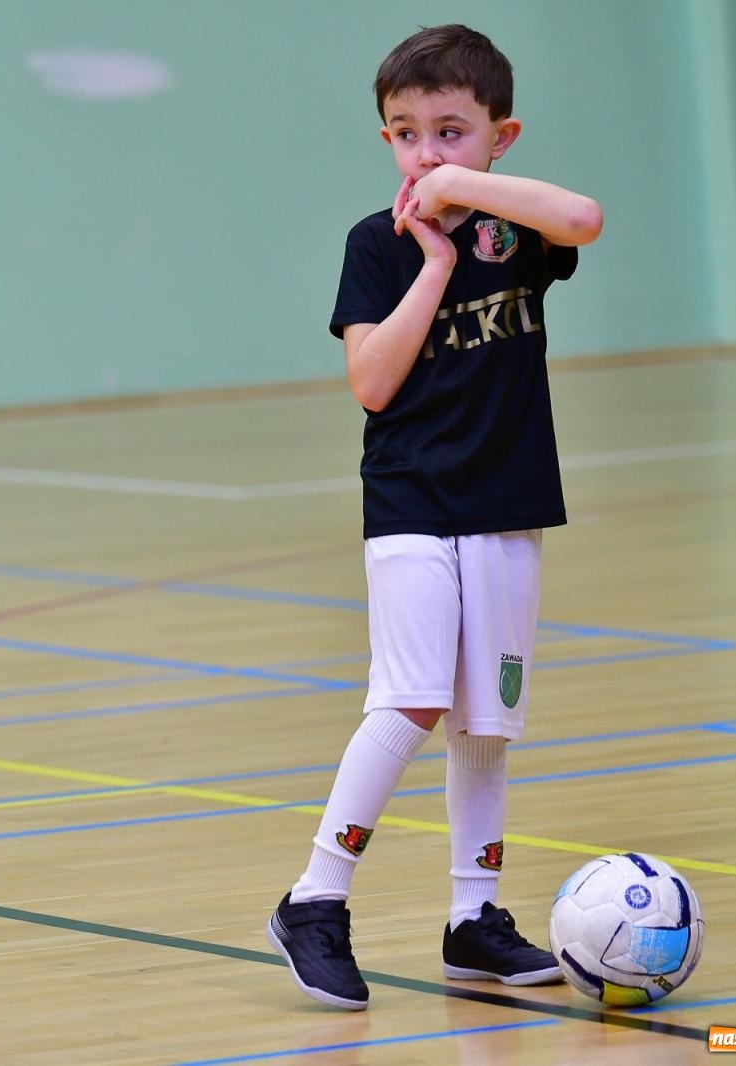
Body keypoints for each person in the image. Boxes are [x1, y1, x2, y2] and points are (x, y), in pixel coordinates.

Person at [266, 25, 603, 1010]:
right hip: (412, 502)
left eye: (450, 131)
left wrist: (467, 190)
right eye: (406, 134)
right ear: (386, 140)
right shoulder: (375, 245)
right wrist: (432, 263)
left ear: (501, 137)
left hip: (506, 505)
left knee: (485, 721)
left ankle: (472, 919)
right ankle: (314, 897)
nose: (426, 153)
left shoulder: (516, 233)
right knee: (410, 699)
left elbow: (581, 216)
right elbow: (372, 383)